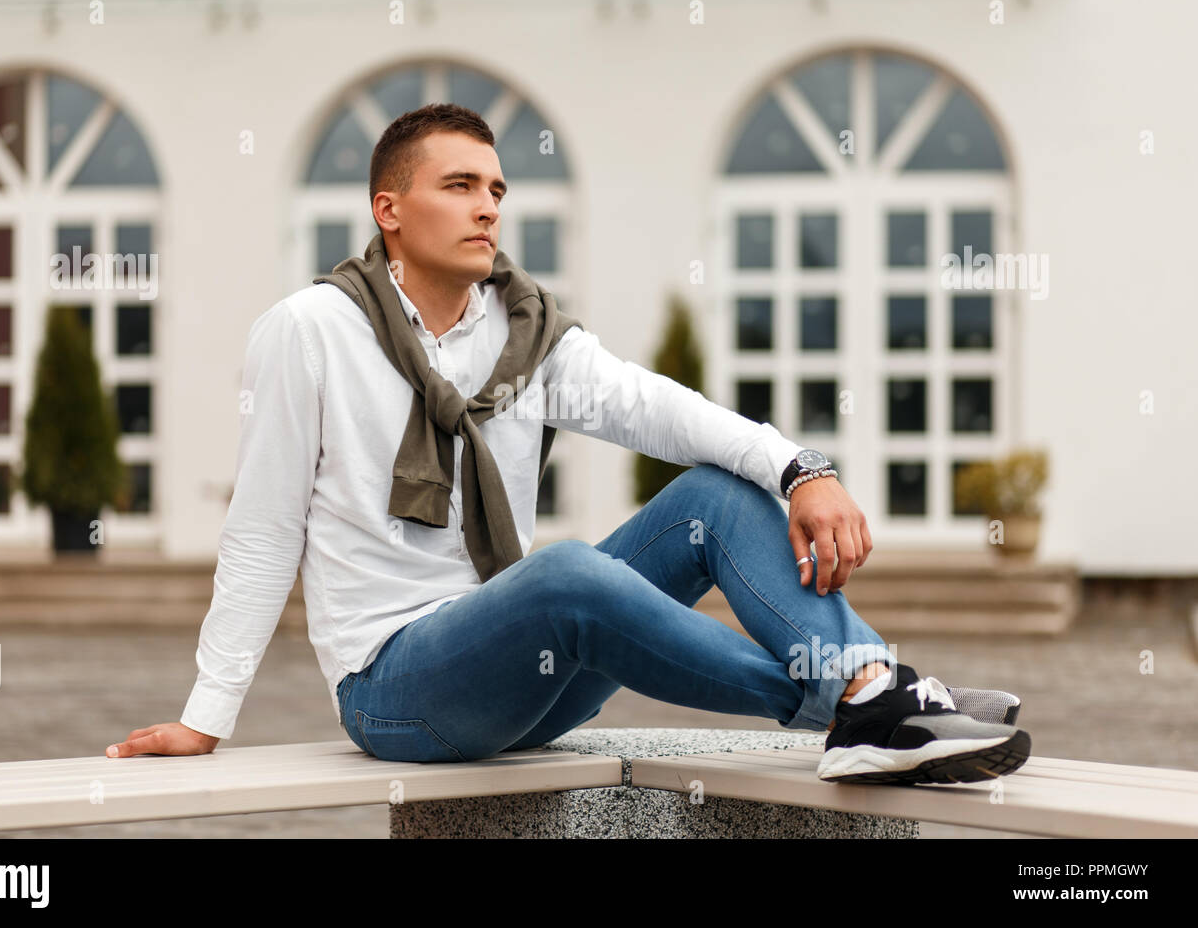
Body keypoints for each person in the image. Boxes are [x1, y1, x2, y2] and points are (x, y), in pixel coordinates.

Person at [107, 104, 1030, 785]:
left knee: (715, 494)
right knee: (565, 574)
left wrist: (802, 468)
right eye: (459, 186)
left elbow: (658, 408)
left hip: (530, 680)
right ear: (389, 209)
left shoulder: (523, 331)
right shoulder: (308, 331)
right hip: (397, 692)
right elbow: (264, 529)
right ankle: (868, 701)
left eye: (496, 190)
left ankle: (875, 690)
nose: (487, 209)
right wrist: (206, 716)